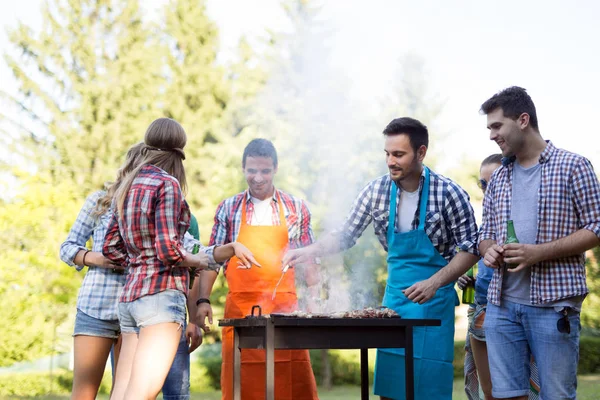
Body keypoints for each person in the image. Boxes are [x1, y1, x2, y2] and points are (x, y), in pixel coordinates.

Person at [283, 117, 480, 400]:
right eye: (387, 153)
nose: (390, 161)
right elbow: (346, 234)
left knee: (429, 389)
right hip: (395, 304)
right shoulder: (375, 191)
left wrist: (434, 283)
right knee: (391, 390)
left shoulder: (449, 193)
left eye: (399, 154)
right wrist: (309, 250)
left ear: (421, 152)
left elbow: (471, 248)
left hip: (434, 302)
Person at [102, 118, 258, 400]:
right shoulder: (167, 184)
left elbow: (111, 248)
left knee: (122, 393)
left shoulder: (127, 185)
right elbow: (169, 251)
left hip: (129, 300)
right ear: (179, 151)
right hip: (160, 299)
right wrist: (199, 262)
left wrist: (141, 258)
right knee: (140, 394)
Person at [478, 86, 600, 400]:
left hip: (553, 309)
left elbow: (596, 228)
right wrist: (488, 249)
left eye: (496, 126)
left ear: (522, 120)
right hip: (501, 307)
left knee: (556, 396)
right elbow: (485, 234)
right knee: (505, 396)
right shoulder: (500, 178)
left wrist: (537, 253)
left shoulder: (574, 166)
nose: (492, 135)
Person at [60, 142, 206, 400]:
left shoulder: (154, 202)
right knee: (84, 394)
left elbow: (181, 245)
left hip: (136, 305)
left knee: (127, 390)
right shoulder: (101, 201)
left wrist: (218, 253)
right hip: (97, 306)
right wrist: (98, 258)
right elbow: (68, 247)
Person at [198, 138, 320, 400]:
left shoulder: (295, 208)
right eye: (252, 170)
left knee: (291, 384)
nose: (258, 177)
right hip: (241, 314)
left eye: (265, 170)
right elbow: (212, 260)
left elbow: (310, 258)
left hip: (286, 314)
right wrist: (203, 299)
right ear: (243, 168)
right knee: (243, 385)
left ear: (275, 169)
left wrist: (315, 296)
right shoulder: (229, 208)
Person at [458, 154, 540, 400]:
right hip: (481, 312)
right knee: (490, 392)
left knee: (525, 390)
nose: (488, 188)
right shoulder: (485, 220)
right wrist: (467, 278)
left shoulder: (525, 216)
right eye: (483, 184)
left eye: (492, 180)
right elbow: (476, 259)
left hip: (518, 310)